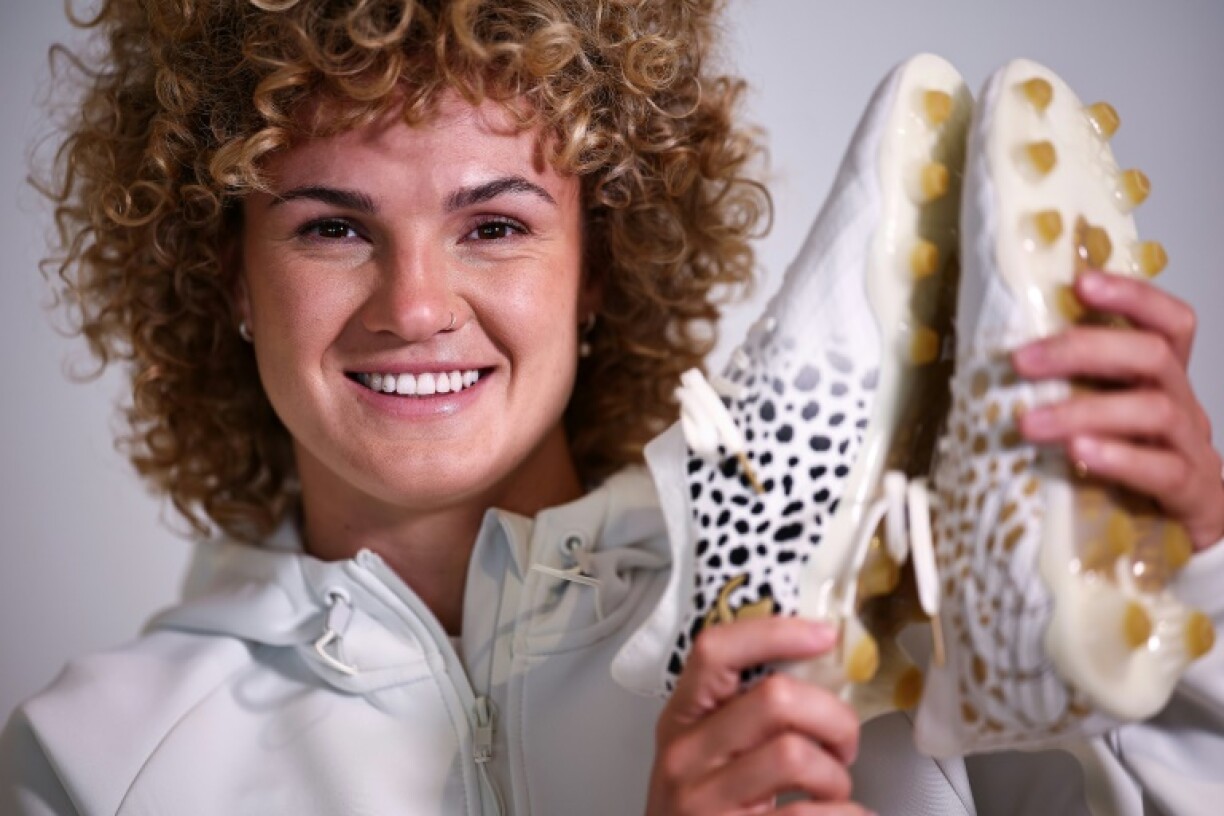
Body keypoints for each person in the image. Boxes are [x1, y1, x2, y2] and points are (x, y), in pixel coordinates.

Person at [1, 1, 1221, 814]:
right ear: (228, 276)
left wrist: (1196, 571)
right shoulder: (91, 758)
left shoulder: (874, 620)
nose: (416, 306)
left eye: (494, 225)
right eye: (332, 227)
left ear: (601, 263)